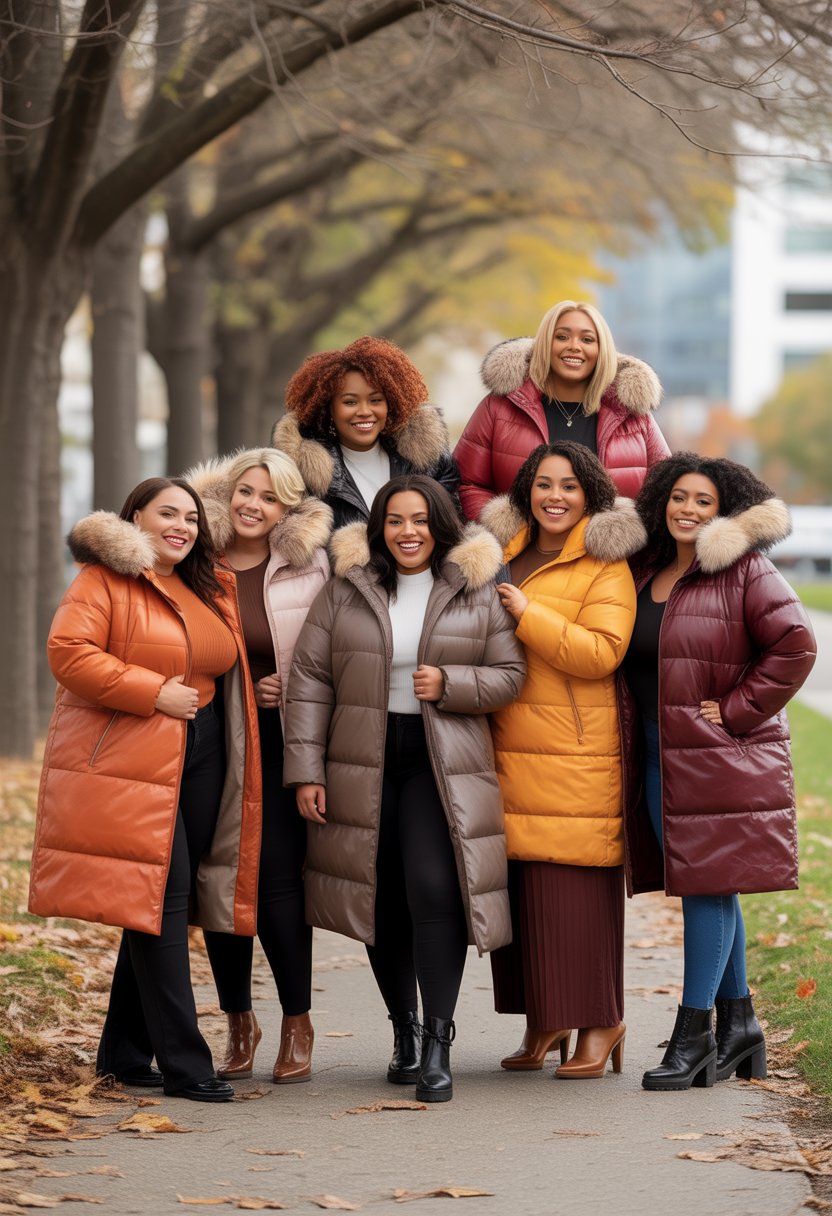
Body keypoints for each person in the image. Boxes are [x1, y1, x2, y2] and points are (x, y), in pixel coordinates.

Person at [282, 474, 526, 1102]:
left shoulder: (475, 590)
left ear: (439, 523)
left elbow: (510, 674)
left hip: (439, 761)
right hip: (360, 758)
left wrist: (450, 682)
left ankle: (440, 1041)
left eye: (419, 519)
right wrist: (306, 770)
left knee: (432, 886)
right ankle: (405, 1033)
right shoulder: (346, 590)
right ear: (378, 528)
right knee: (382, 895)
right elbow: (309, 680)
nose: (407, 531)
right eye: (394, 520)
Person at [29, 478, 261, 1102]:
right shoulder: (105, 580)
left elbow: (223, 658)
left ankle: (124, 1054)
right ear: (135, 518)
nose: (181, 526)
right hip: (137, 752)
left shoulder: (209, 583)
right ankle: (186, 1063)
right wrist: (152, 691)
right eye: (167, 514)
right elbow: (68, 652)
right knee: (163, 898)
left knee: (153, 897)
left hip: (206, 746)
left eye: (190, 516)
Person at [620, 453, 816, 1091]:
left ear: (723, 511)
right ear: (661, 502)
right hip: (657, 752)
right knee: (711, 881)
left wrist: (735, 711)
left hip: (714, 755)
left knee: (704, 886)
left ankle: (694, 1032)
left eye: (703, 501)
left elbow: (797, 644)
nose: (688, 510)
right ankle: (740, 1026)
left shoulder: (743, 569)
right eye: (679, 497)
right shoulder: (647, 568)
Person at [484, 441, 645, 1079]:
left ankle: (601, 1021)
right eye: (544, 484)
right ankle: (545, 1020)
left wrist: (528, 612)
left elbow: (601, 653)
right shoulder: (501, 554)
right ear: (526, 491)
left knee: (572, 892)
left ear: (590, 496)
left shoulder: (605, 564)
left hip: (573, 751)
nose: (555, 496)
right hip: (502, 742)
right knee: (523, 896)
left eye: (570, 486)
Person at [187, 448, 332, 1084]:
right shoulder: (195, 561)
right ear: (227, 493)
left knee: (275, 879)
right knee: (219, 876)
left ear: (288, 509)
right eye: (246, 491)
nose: (254, 505)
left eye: (270, 498)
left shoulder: (310, 568)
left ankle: (296, 1021)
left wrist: (291, 687)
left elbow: (332, 656)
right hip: (211, 740)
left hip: (280, 741)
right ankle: (238, 1020)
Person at [453, 300, 670, 521]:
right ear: (546, 344)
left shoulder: (633, 416)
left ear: (601, 350)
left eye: (587, 339)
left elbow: (666, 490)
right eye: (562, 337)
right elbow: (466, 482)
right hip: (518, 554)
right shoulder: (499, 407)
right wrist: (507, 531)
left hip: (609, 555)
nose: (574, 346)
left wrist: (627, 537)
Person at [272, 335, 459, 528]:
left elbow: (450, 527)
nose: (364, 412)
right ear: (329, 409)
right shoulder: (304, 476)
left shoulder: (430, 465)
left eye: (375, 400)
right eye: (350, 402)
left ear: (391, 404)